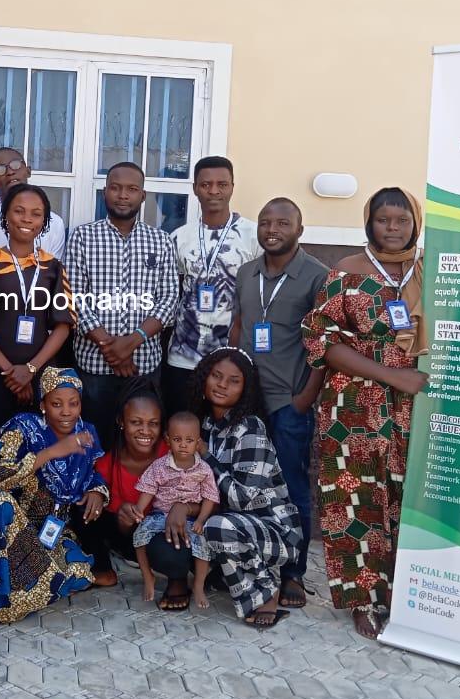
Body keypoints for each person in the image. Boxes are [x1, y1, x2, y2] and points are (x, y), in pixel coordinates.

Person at [302, 187, 429, 639]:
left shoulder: (433, 270)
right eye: (382, 220)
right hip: (353, 405)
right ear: (369, 222)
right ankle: (364, 599)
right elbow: (322, 342)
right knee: (356, 499)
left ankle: (409, 596)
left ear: (415, 223)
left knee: (410, 498)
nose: (392, 229)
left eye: (402, 220)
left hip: (416, 405)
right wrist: (393, 376)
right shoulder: (347, 271)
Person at [231, 198, 329, 609]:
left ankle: (293, 574)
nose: (272, 229)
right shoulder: (246, 272)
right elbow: (239, 325)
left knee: (291, 487)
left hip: (289, 403)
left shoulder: (318, 276)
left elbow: (325, 343)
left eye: (283, 223)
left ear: (299, 230)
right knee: (246, 484)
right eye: (265, 222)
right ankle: (249, 563)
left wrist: (305, 398)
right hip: (248, 401)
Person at [0, 367, 107, 642]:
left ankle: (22, 586)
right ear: (43, 404)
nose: (66, 412)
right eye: (56, 404)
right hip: (8, 526)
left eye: (73, 403)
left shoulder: (85, 433)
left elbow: (91, 472)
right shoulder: (22, 428)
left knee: (80, 571)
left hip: (50, 531)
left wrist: (97, 491)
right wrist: (50, 453)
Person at [64, 162, 179, 449]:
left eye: (132, 189)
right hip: (93, 365)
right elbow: (74, 297)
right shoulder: (82, 237)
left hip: (144, 364)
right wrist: (112, 348)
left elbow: (168, 300)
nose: (123, 195)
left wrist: (132, 341)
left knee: (140, 443)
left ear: (143, 195)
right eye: (115, 188)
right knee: (96, 440)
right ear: (105, 193)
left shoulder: (162, 241)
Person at [195, 347, 303, 626]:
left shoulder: (250, 429)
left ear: (246, 389)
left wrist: (207, 457)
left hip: (276, 530)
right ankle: (225, 577)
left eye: (234, 381)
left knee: (216, 526)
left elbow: (241, 499)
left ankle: (267, 593)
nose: (222, 385)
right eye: (216, 376)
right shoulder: (206, 424)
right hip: (238, 524)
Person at [0, 183, 74, 460]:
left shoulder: (53, 267)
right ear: (5, 215)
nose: (27, 219)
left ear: (44, 221)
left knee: (36, 454)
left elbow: (63, 326)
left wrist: (30, 369)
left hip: (41, 377)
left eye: (36, 214)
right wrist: (10, 372)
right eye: (19, 211)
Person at [164, 156, 260, 415]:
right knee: (183, 426)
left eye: (222, 184)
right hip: (183, 356)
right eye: (206, 185)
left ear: (232, 187)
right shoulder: (179, 237)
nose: (214, 191)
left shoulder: (253, 236)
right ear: (195, 188)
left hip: (230, 360)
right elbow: (174, 293)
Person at [81, 380, 167, 587]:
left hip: (165, 534)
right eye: (136, 422)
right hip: (127, 539)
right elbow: (116, 526)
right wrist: (121, 518)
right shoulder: (108, 463)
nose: (145, 431)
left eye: (153, 423)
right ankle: (102, 568)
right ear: (121, 421)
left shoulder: (171, 454)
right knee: (87, 504)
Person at [131, 411, 220, 608]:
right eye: (177, 439)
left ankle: (198, 586)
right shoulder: (159, 466)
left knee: (202, 546)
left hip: (190, 519)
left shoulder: (204, 469)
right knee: (139, 537)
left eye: (189, 440)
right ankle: (148, 576)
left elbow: (210, 497)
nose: (183, 445)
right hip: (160, 516)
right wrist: (139, 509)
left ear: (198, 443)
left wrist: (201, 520)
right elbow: (148, 488)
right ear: (167, 440)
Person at [0, 147, 67, 264]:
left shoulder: (55, 223)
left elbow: (54, 270)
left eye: (15, 165)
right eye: (0, 170)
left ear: (28, 171)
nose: (10, 172)